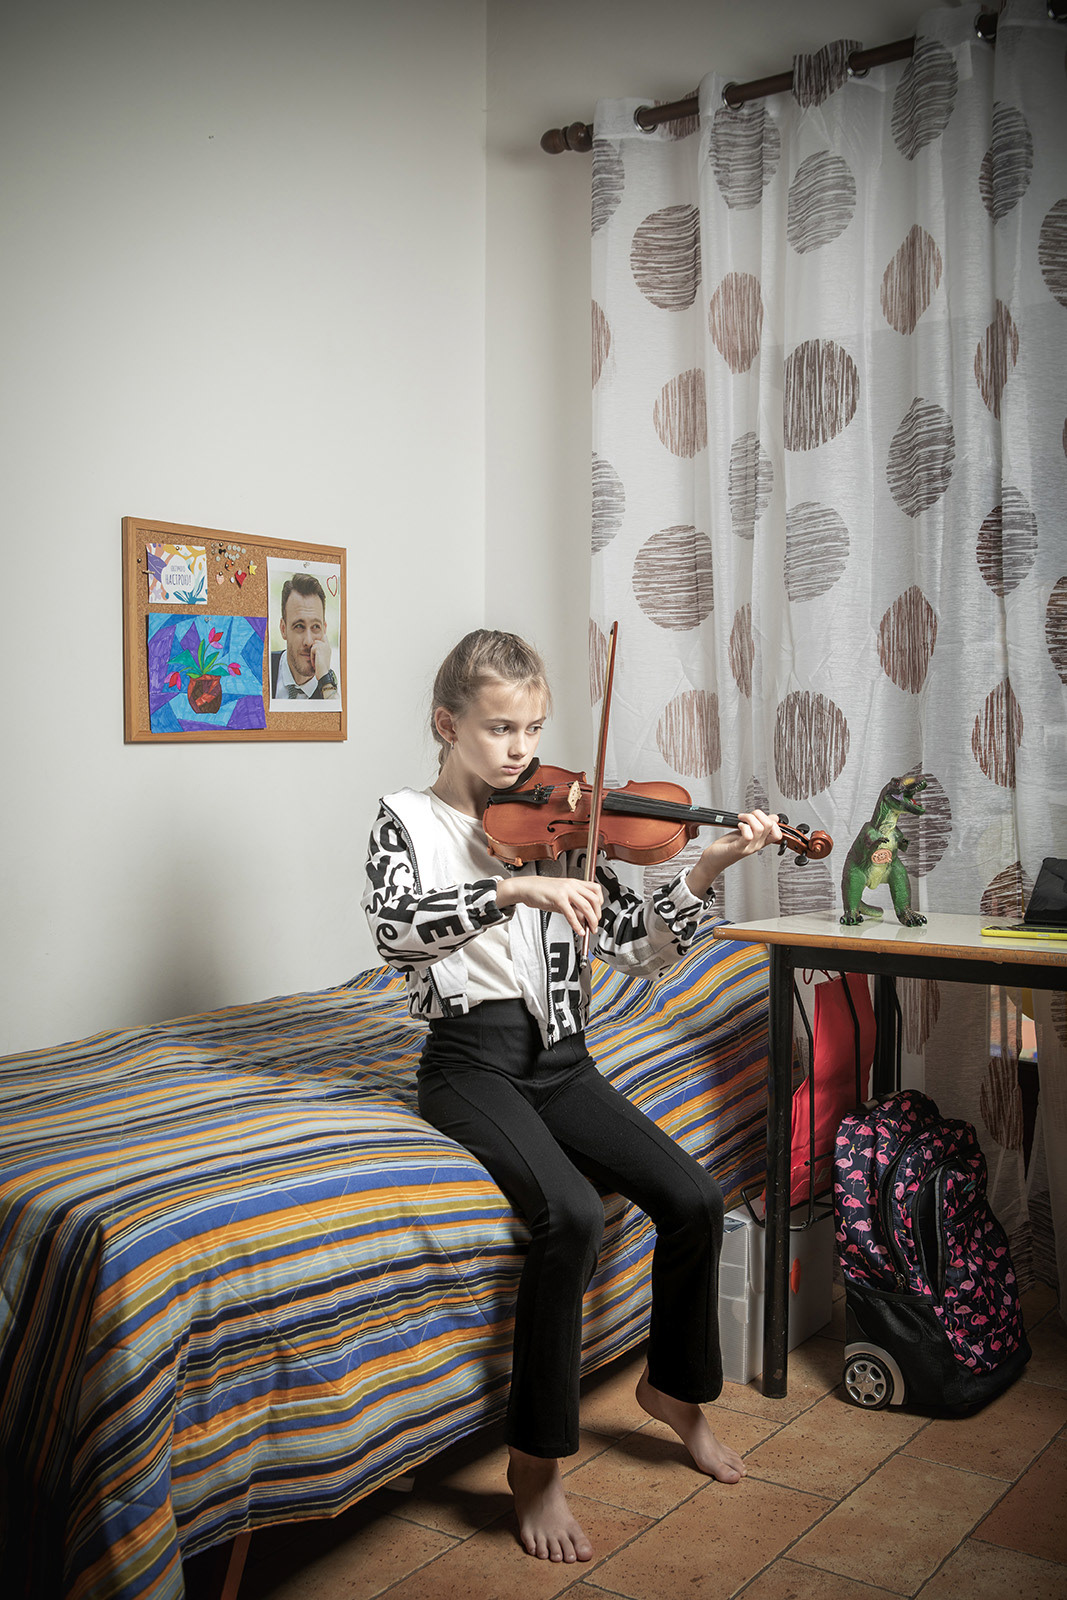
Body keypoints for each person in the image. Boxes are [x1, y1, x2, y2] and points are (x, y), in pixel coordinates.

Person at [362, 629, 781, 1565]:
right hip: (470, 1065)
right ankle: (536, 1462)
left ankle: (674, 1392)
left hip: (565, 1060)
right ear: (447, 724)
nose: (522, 752)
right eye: (501, 728)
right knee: (569, 1217)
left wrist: (706, 868)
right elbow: (396, 931)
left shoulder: (559, 826)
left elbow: (638, 943)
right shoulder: (408, 821)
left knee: (694, 1197)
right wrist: (515, 894)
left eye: (535, 729)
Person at [270, 573, 339, 700]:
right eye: (299, 626)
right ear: (283, 629)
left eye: (316, 627)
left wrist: (325, 680)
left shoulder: (332, 692)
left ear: (324, 629)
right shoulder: (262, 669)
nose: (308, 641)